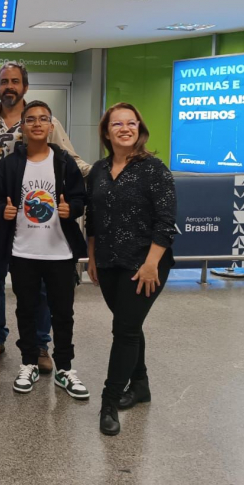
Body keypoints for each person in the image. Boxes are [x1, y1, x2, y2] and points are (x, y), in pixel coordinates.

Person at [0, 61, 91, 370]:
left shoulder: (44, 120)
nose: (9, 86)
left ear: (25, 87)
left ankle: (41, 345)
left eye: (15, 81)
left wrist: (104, 174)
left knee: (39, 288)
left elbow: (74, 161)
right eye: (4, 81)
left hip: (38, 223)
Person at [87, 103, 176, 436]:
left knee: (123, 329)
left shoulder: (154, 168)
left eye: (131, 123)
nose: (124, 128)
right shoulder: (98, 169)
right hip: (109, 262)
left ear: (140, 128)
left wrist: (152, 263)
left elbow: (166, 221)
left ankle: (108, 402)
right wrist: (92, 258)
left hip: (145, 264)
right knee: (130, 325)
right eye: (116, 124)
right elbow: (92, 220)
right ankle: (140, 385)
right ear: (106, 131)